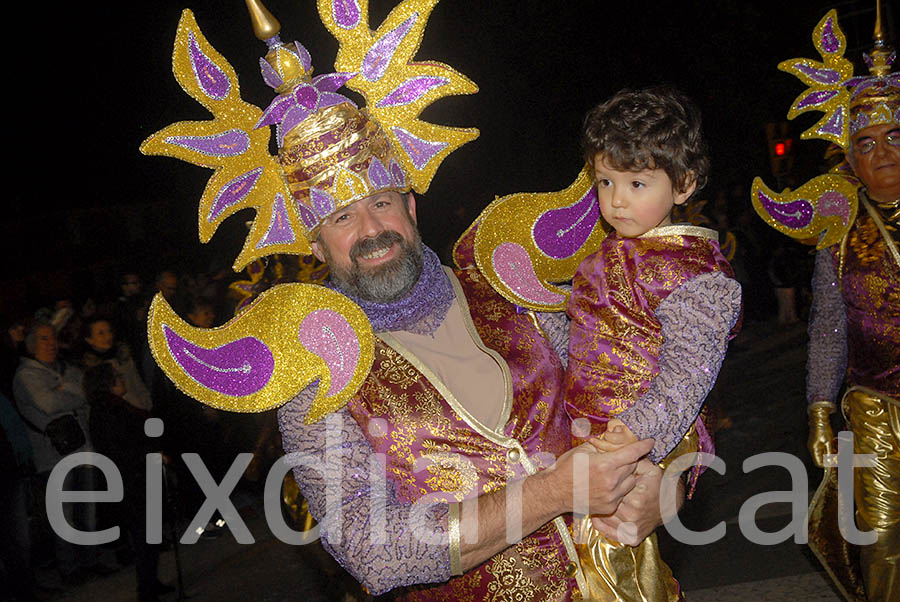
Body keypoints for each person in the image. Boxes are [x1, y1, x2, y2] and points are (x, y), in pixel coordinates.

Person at [141, 2, 674, 599]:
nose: (371, 230)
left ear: (411, 206)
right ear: (316, 241)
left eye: (383, 203)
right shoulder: (315, 368)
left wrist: (670, 484)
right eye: (342, 217)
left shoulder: (507, 282)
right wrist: (552, 494)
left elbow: (644, 386)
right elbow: (374, 550)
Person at [563, 88, 742, 601]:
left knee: (610, 567)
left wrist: (633, 432)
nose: (616, 200)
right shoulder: (612, 251)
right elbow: (583, 334)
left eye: (637, 183)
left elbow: (688, 378)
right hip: (590, 432)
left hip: (643, 437)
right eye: (605, 182)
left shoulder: (694, 272)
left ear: (683, 184)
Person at [752, 9, 898, 600]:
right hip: (875, 409)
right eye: (865, 143)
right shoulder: (839, 238)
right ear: (849, 159)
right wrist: (818, 409)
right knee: (884, 540)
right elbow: (829, 331)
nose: (882, 153)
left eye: (896, 136)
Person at [12, 322, 110, 586]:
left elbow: (86, 394)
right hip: (52, 456)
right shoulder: (25, 376)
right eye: (44, 339)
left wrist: (64, 391)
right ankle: (69, 568)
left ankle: (90, 560)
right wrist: (70, 392)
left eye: (53, 338)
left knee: (88, 508)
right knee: (63, 515)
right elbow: (48, 404)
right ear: (32, 345)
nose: (51, 343)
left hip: (83, 448)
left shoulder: (66, 370)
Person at [84, 363, 171, 602]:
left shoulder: (114, 407)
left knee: (149, 535)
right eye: (117, 377)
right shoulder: (109, 411)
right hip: (131, 481)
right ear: (107, 383)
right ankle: (146, 589)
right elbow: (122, 447)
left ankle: (151, 581)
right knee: (144, 537)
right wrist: (149, 455)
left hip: (134, 478)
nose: (122, 380)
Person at [80, 317, 152, 411]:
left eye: (109, 331)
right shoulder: (93, 369)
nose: (108, 337)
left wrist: (148, 404)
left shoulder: (123, 356)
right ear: (89, 340)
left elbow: (138, 383)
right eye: (101, 333)